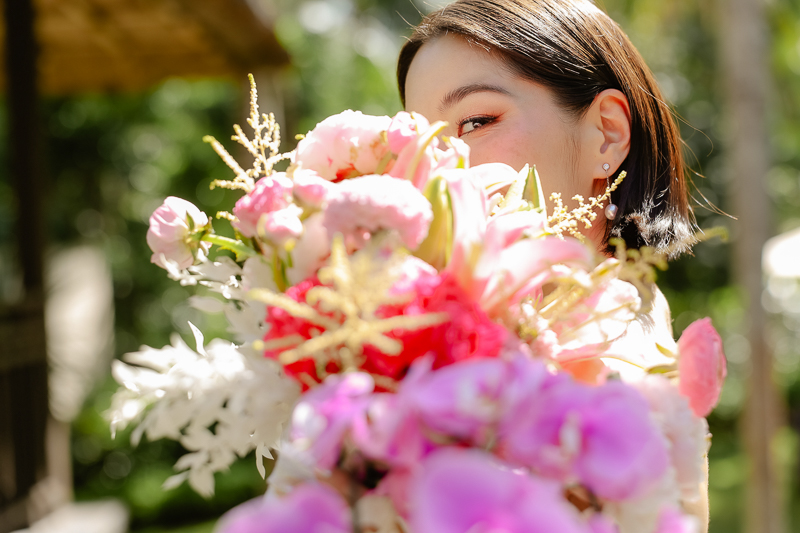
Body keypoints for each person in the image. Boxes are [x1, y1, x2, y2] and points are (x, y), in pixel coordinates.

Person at [397, 0, 708, 529]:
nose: (438, 170)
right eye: (419, 142)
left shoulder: (625, 392)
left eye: (476, 121)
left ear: (606, 133)